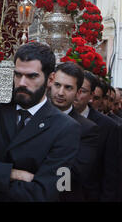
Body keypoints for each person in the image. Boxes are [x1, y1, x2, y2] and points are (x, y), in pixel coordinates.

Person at [0, 42, 80, 201]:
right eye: (18, 75)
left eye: (32, 76)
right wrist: (11, 173)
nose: (22, 83)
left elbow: (44, 192)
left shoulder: (66, 128)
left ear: (50, 79)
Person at [47, 62, 98, 202]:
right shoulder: (32, 116)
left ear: (78, 92)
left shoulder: (87, 129)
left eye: (68, 87)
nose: (60, 92)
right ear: (50, 83)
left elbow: (73, 174)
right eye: (57, 85)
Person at [73, 72, 122, 201]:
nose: (75, 94)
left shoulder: (108, 127)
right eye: (71, 88)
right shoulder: (50, 119)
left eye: (82, 91)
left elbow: (112, 176)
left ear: (91, 95)